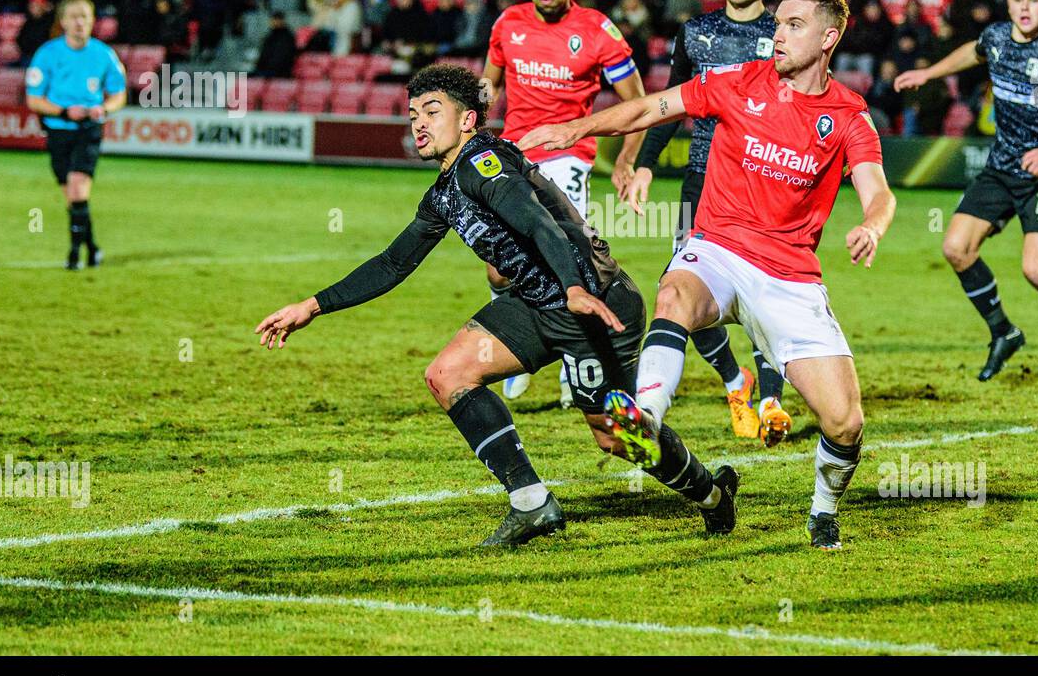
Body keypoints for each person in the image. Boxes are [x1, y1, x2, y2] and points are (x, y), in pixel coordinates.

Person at [254, 64, 737, 546]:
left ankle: (711, 495)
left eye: (432, 111)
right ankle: (532, 504)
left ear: (467, 120)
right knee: (447, 374)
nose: (418, 122)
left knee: (618, 438)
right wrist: (312, 306)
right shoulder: (444, 192)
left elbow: (538, 224)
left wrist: (572, 287)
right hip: (536, 305)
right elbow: (392, 263)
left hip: (594, 301)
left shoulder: (484, 162)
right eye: (412, 114)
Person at [519, 0, 896, 551]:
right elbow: (652, 107)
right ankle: (645, 414)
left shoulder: (846, 114)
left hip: (788, 274)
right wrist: (576, 128)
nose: (779, 32)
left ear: (829, 37)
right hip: (717, 246)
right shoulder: (736, 83)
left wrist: (871, 223)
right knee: (674, 293)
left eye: (795, 24)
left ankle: (822, 509)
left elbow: (879, 190)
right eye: (779, 22)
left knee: (845, 422)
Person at [895, 0, 1038, 385]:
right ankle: (1003, 332)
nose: (1025, 7)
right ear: (1008, 4)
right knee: (956, 248)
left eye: (1034, 0)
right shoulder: (995, 37)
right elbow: (973, 52)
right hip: (1001, 167)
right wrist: (929, 73)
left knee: (1036, 271)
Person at [624, 0, 789, 445]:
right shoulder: (696, 33)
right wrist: (647, 163)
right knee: (684, 292)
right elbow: (671, 102)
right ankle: (734, 382)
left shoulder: (783, 32)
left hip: (764, 178)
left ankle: (771, 401)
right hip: (702, 181)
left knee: (767, 296)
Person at [482, 0, 647, 405]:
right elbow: (489, 84)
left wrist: (627, 159)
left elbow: (636, 101)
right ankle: (508, 340)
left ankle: (576, 362)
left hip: (568, 154)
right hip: (514, 151)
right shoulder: (508, 24)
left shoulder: (597, 30)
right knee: (498, 269)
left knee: (567, 259)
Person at [24, 0, 127, 270]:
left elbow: (119, 95)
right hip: (58, 131)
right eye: (74, 16)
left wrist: (103, 108)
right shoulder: (47, 54)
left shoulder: (104, 55)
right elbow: (34, 100)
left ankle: (73, 256)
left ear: (93, 21)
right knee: (72, 196)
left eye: (85, 16)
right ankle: (92, 248)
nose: (80, 22)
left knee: (78, 189)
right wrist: (63, 112)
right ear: (63, 21)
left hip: (88, 131)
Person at [252, 11, 297, 78]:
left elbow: (282, 57)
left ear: (282, 21)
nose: (273, 22)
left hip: (278, 72)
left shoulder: (286, 37)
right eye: (273, 20)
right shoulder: (271, 35)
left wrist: (265, 67)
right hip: (266, 70)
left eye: (276, 20)